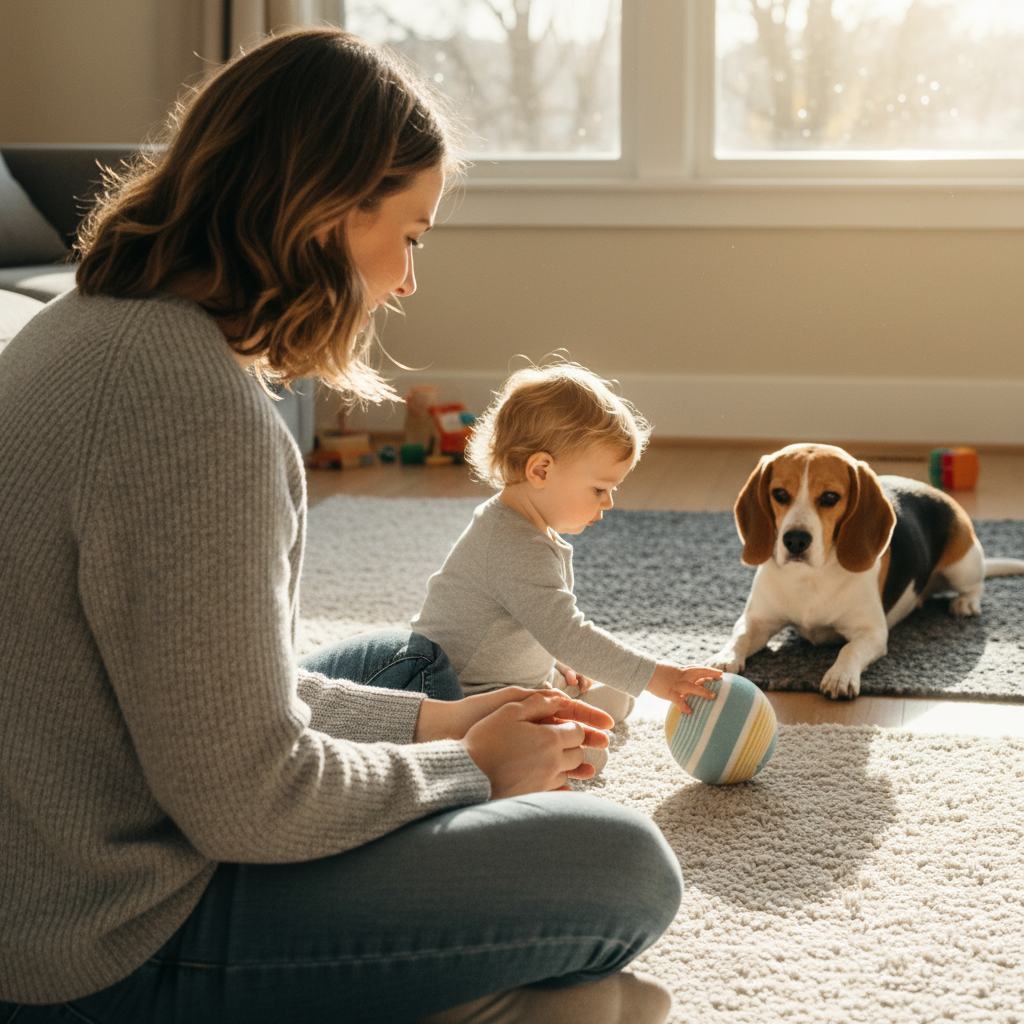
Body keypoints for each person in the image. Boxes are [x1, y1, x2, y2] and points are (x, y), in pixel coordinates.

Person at [0, 28, 684, 1024]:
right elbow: (246, 797)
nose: (407, 281)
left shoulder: (82, 330)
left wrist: (442, 722)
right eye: (408, 235)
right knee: (620, 866)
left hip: (69, 848)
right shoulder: (194, 410)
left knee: (409, 668)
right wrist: (470, 765)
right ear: (325, 209)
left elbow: (226, 704)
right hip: (102, 946)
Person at [412, 362, 724, 774]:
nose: (608, 503)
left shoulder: (528, 530)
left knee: (608, 695)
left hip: (502, 679)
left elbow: (528, 623)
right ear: (540, 470)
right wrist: (659, 677)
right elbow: (565, 632)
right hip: (455, 692)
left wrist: (548, 660)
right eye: (600, 489)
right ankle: (555, 720)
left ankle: (562, 705)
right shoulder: (512, 543)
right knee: (588, 752)